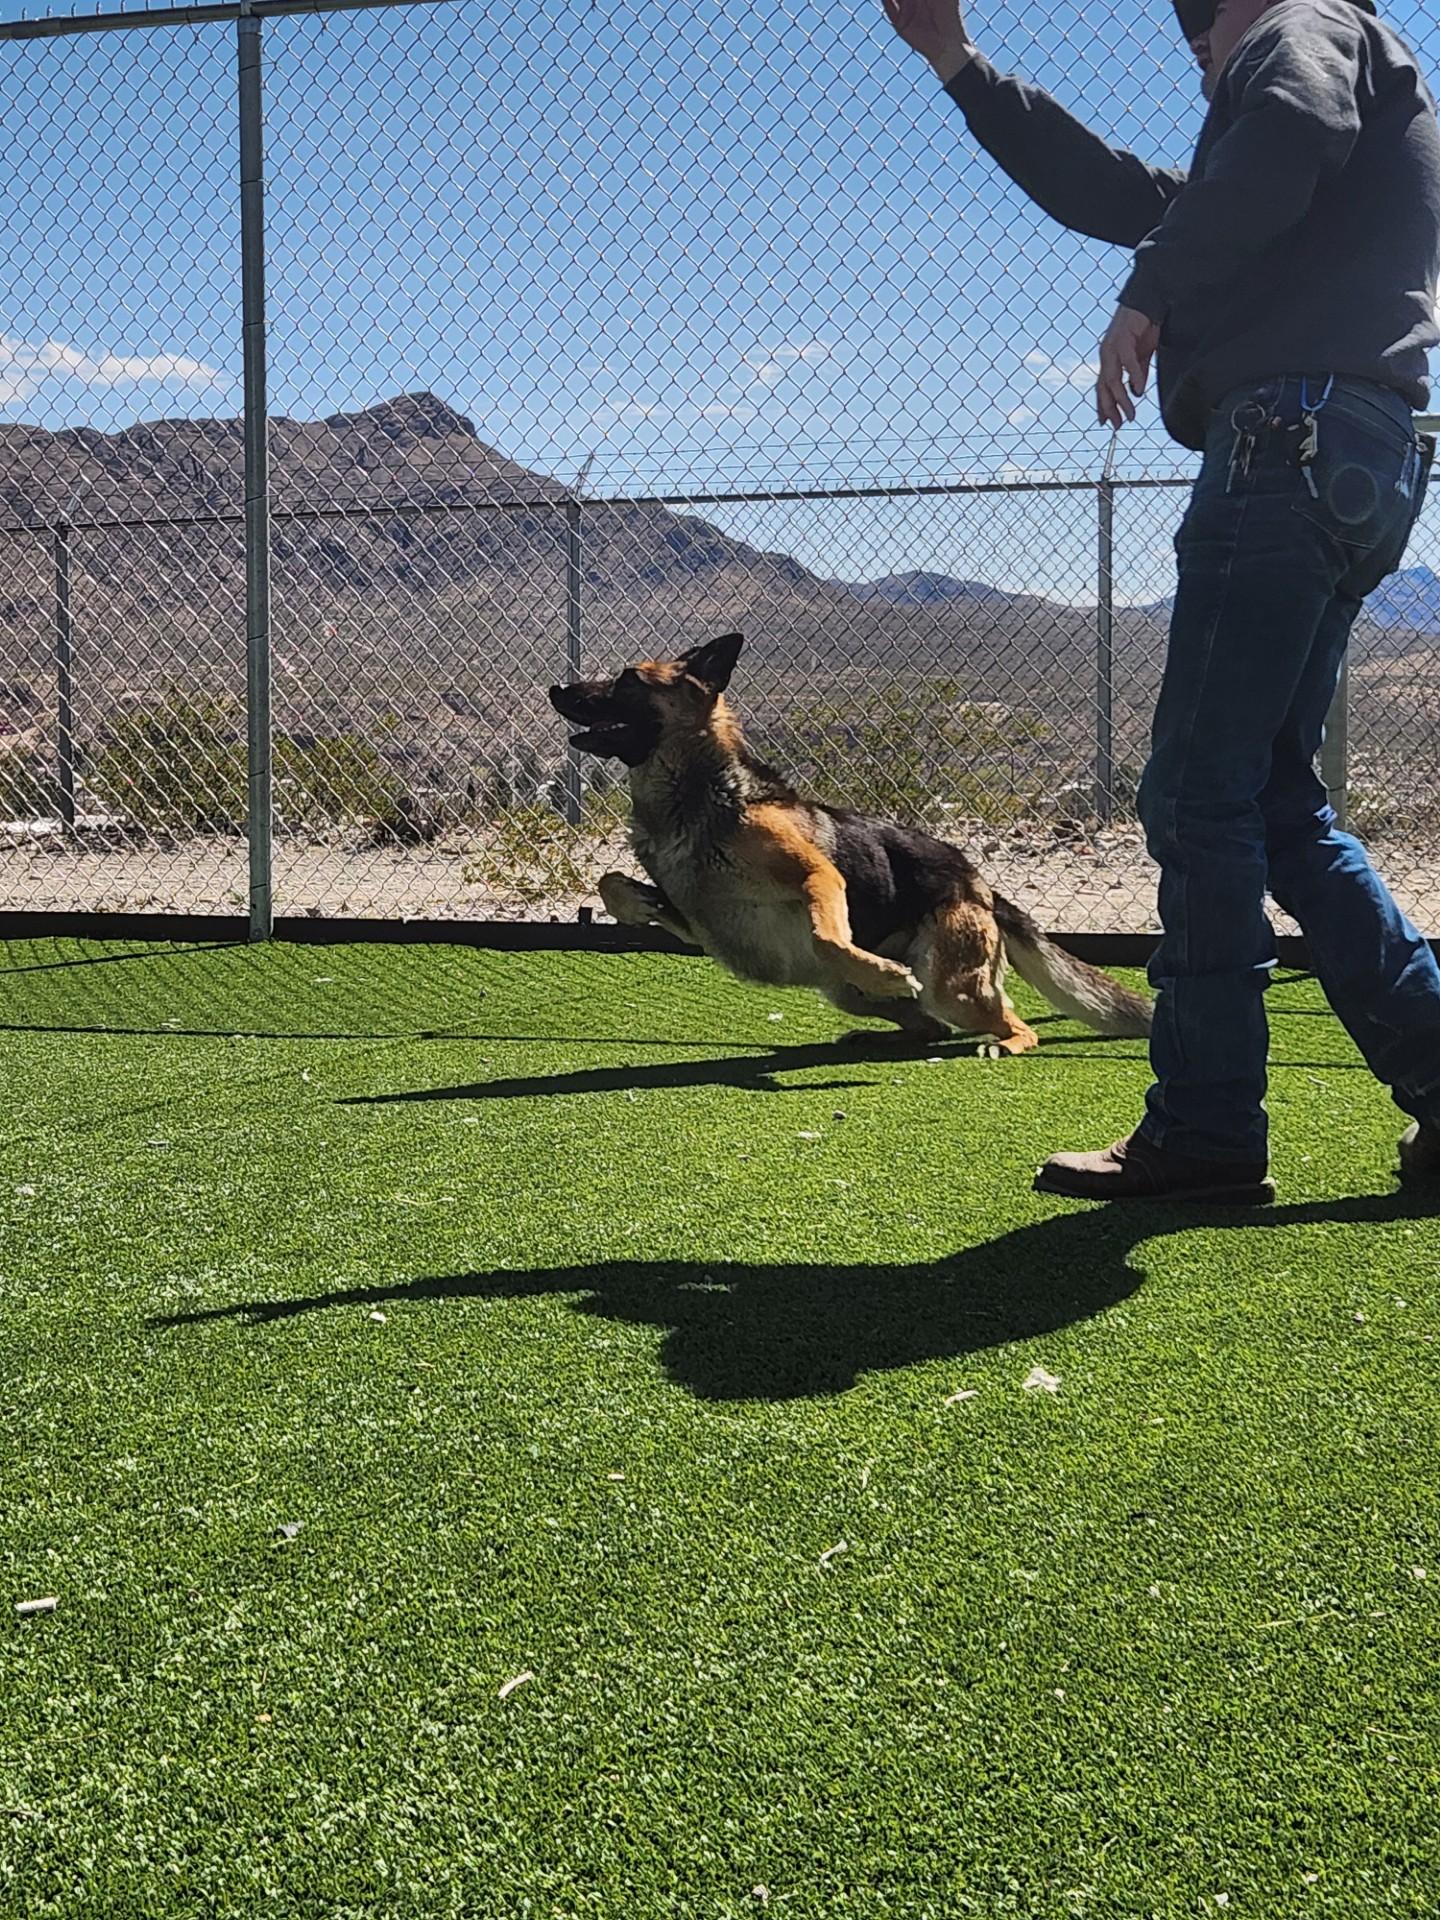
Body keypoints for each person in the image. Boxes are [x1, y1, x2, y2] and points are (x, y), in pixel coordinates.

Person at [885, 0, 1440, 1202]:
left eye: (1203, 40)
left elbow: (1281, 126)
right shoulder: (1303, 155)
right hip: (1355, 451)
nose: (1200, 62)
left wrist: (1147, 295)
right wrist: (959, 65)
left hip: (1286, 443)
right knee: (1279, 806)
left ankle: (1205, 1132)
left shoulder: (1305, 31)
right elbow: (1120, 189)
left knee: (1195, 797)